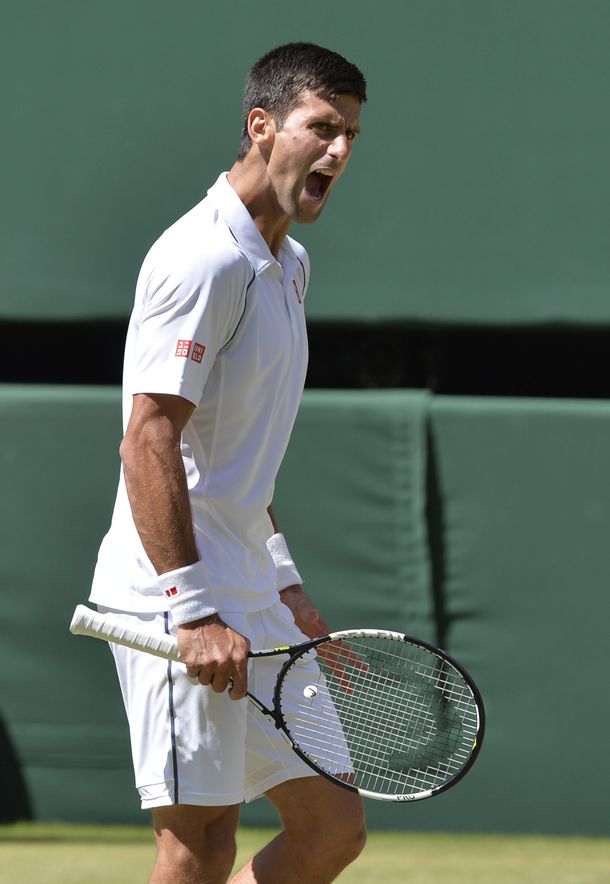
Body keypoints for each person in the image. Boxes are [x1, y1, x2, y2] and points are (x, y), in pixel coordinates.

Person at [89, 42, 367, 884]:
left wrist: (283, 582)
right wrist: (193, 607)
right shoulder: (199, 256)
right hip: (177, 592)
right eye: (322, 128)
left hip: (253, 586)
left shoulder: (290, 265)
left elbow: (241, 456)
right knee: (198, 847)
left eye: (351, 134)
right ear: (261, 126)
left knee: (332, 828)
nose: (340, 152)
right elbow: (148, 437)